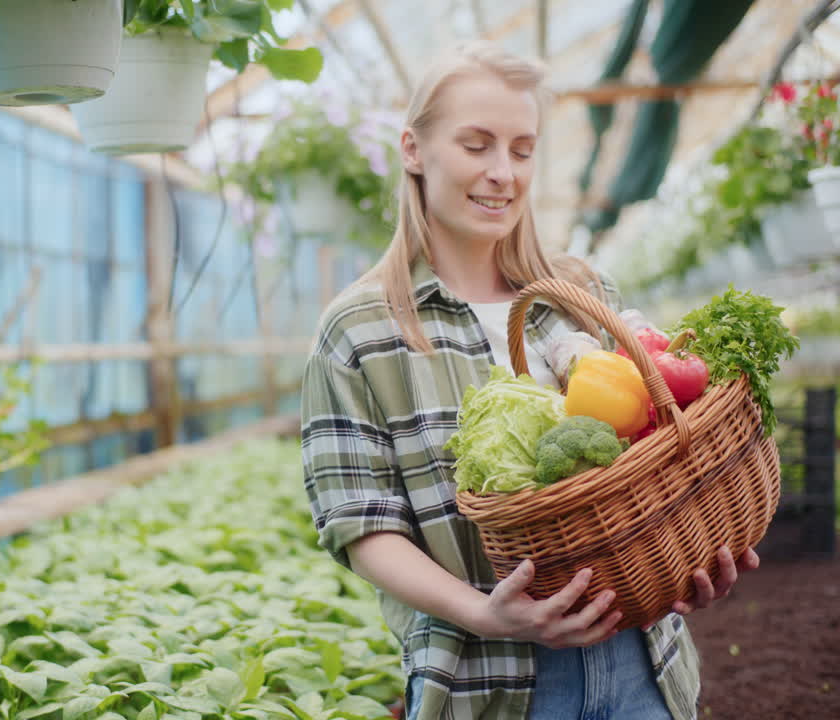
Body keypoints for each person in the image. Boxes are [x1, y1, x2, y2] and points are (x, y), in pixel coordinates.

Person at [299, 41, 759, 720]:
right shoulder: (361, 331)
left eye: (521, 149)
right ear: (414, 150)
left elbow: (650, 458)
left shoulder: (583, 293)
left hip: (642, 666)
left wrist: (683, 564)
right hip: (486, 683)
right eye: (477, 144)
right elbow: (361, 524)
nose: (502, 174)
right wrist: (487, 613)